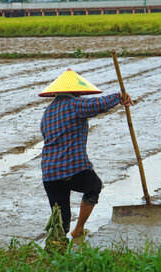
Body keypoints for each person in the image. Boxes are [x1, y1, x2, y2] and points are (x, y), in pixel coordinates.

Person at [39, 68, 133, 238]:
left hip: (50, 173)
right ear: (76, 90)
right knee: (93, 186)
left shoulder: (48, 112)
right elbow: (96, 105)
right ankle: (79, 228)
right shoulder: (74, 104)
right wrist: (119, 97)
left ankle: (57, 248)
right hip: (73, 168)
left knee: (61, 219)